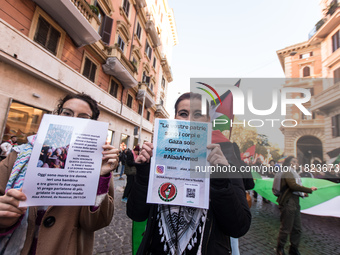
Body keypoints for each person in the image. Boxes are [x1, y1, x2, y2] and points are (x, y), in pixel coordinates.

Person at [127, 92, 251, 255]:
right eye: (183, 114)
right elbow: (136, 213)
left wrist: (220, 178)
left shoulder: (225, 162)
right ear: (175, 118)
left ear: (208, 122)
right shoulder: (158, 158)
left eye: (199, 115)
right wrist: (144, 174)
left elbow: (238, 227)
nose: (190, 120)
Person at [0, 93, 118, 254]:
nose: (73, 119)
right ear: (57, 114)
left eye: (83, 117)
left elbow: (96, 222)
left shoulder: (98, 162)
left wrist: (102, 177)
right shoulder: (19, 154)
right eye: (67, 113)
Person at [276, 156, 317, 255]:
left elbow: (295, 188)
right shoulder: (287, 172)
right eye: (294, 161)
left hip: (295, 201)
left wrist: (303, 194)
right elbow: (293, 186)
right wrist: (309, 189)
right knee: (286, 228)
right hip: (288, 202)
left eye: (297, 161)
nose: (296, 163)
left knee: (297, 228)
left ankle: (293, 248)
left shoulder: (294, 173)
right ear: (289, 163)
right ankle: (280, 248)